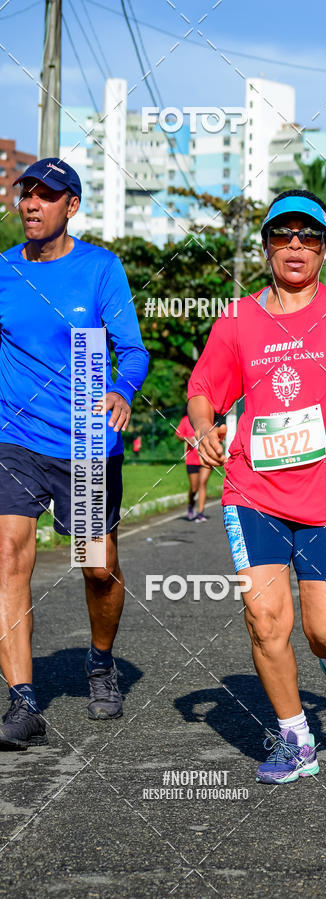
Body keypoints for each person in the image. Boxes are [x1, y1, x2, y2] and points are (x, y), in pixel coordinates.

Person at [187, 189, 326, 784]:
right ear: (267, 247)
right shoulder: (237, 319)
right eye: (283, 234)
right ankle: (295, 738)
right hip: (253, 491)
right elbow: (203, 389)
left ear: (325, 249)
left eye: (308, 236)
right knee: (265, 620)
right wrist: (204, 429)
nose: (295, 245)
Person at [0, 158, 148, 749]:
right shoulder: (4, 270)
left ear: (72, 206)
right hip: (15, 439)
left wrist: (121, 389)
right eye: (26, 194)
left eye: (47, 195)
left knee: (96, 568)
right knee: (8, 556)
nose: (32, 204)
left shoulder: (99, 269)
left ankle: (100, 661)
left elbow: (131, 350)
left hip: (85, 439)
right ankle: (23, 701)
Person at [176, 413, 211, 521]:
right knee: (194, 488)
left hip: (206, 458)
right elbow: (178, 435)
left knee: (203, 483)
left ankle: (200, 513)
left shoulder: (208, 418)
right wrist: (187, 439)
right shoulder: (186, 420)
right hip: (192, 459)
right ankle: (191, 505)